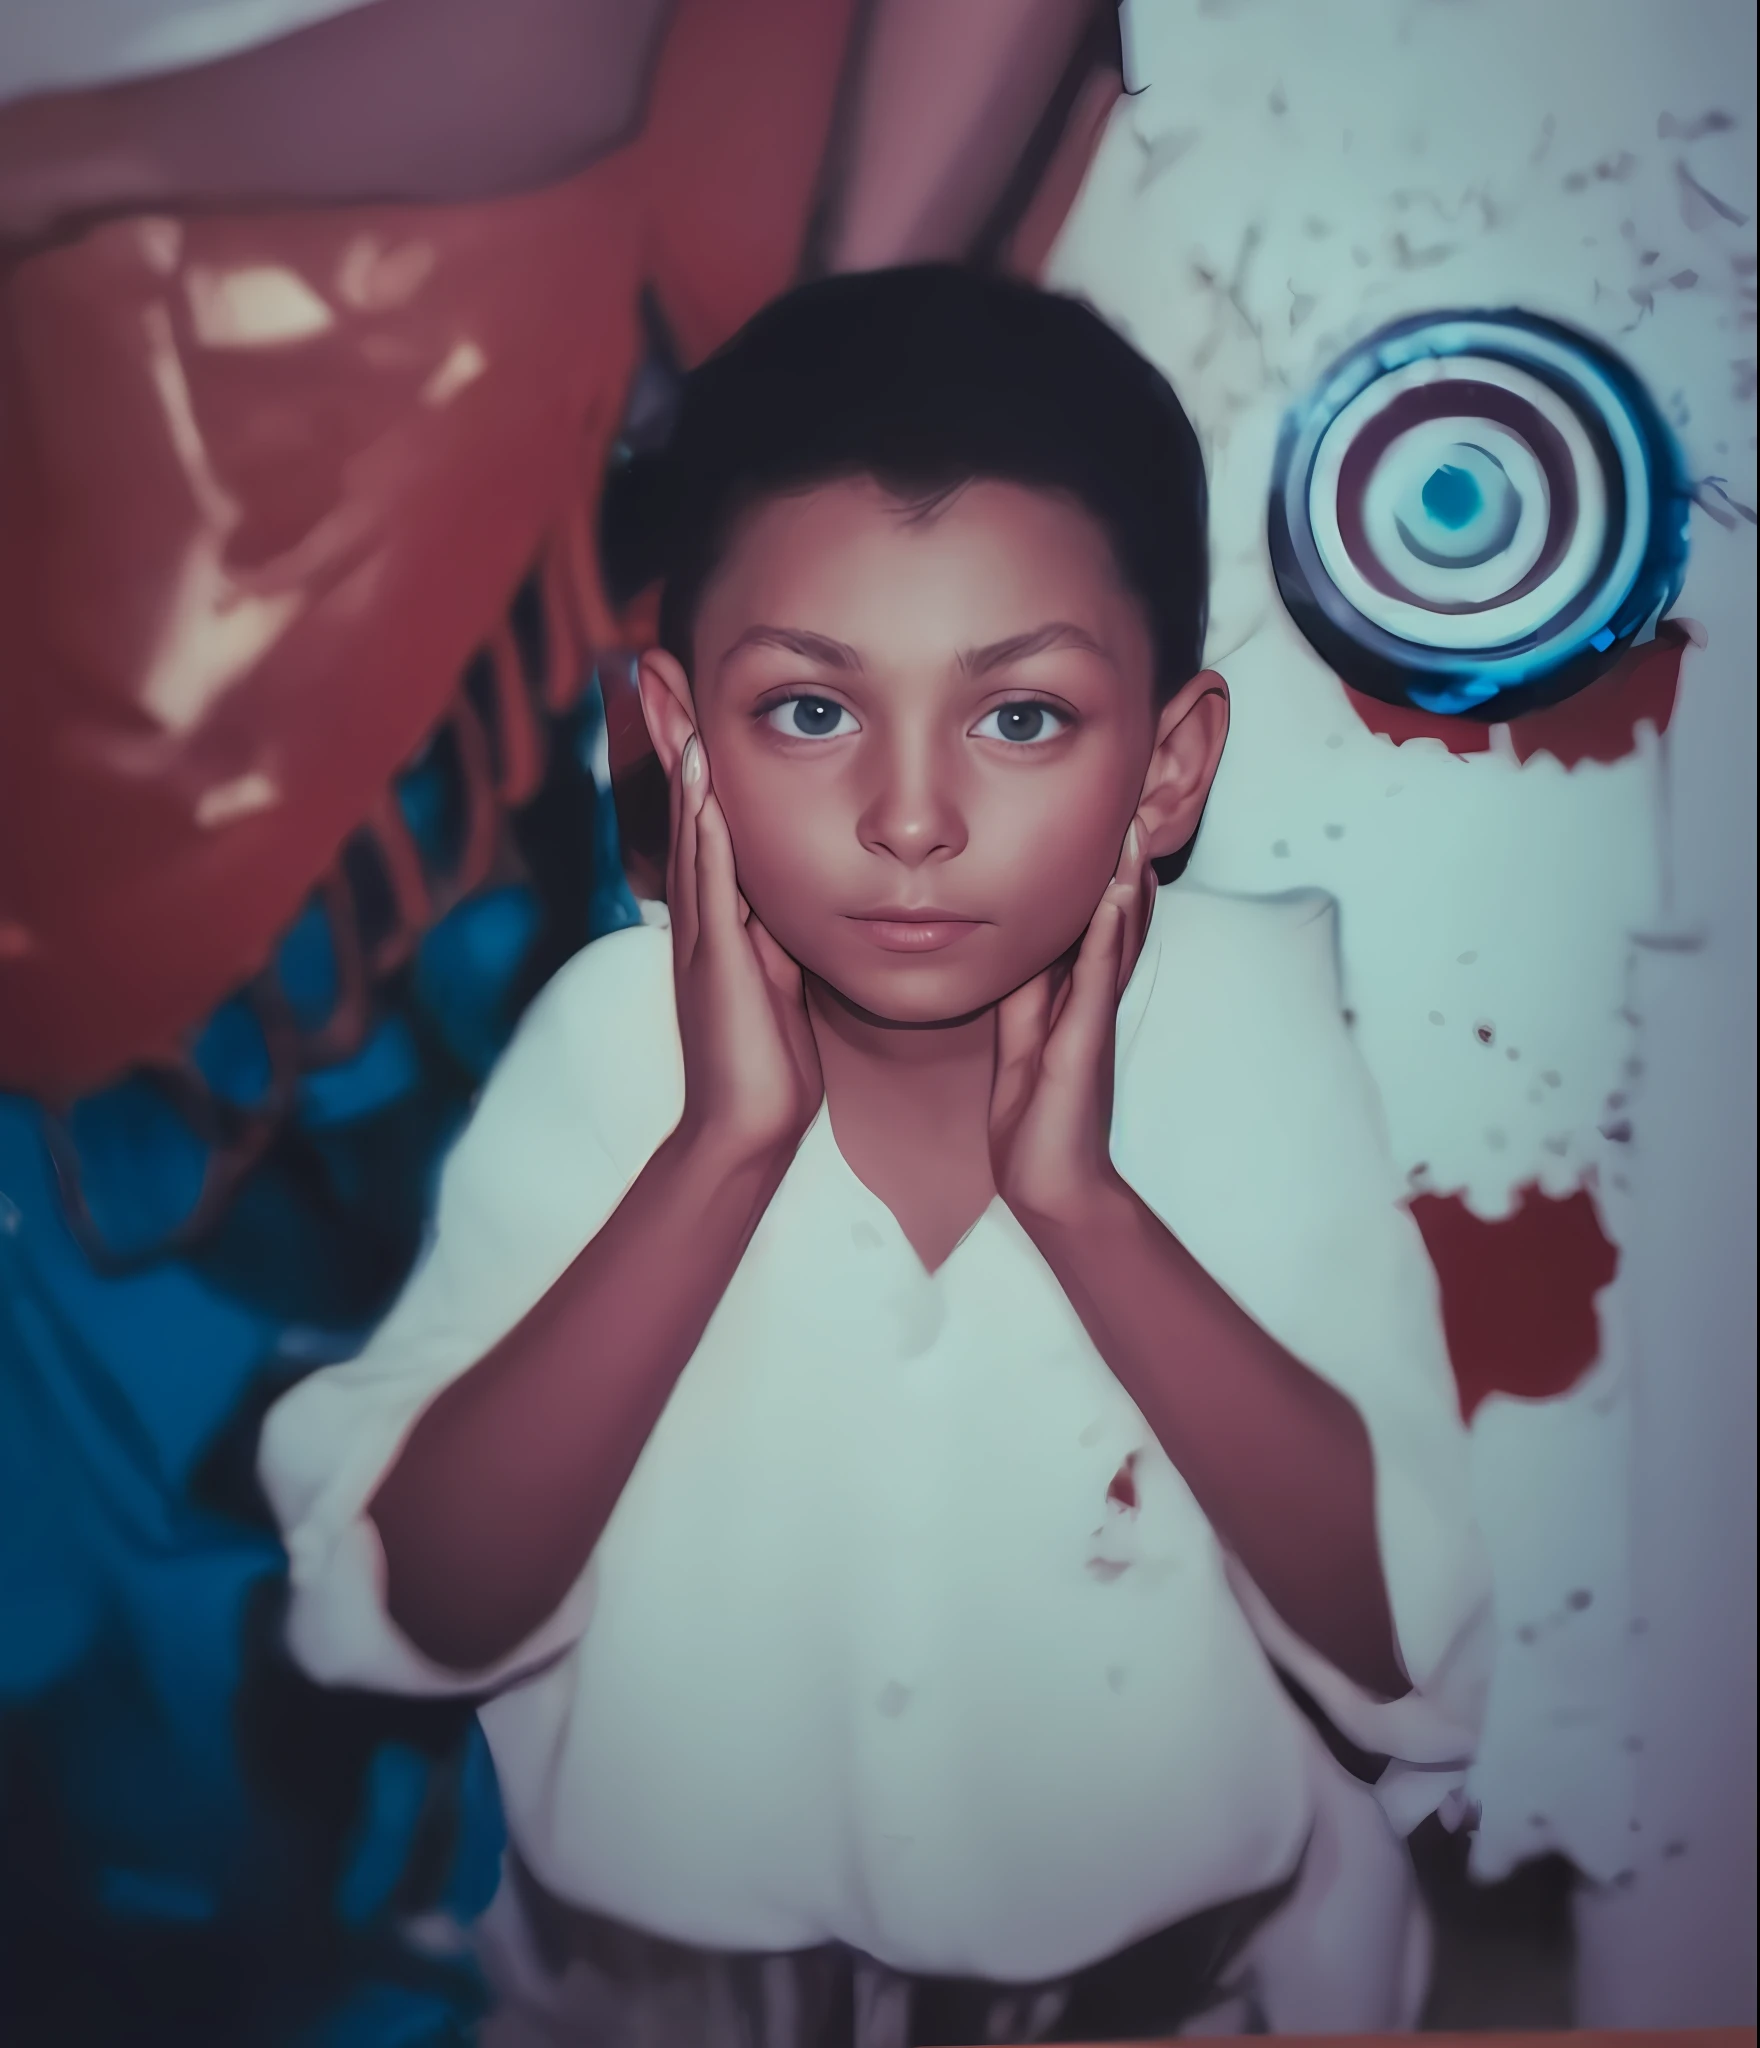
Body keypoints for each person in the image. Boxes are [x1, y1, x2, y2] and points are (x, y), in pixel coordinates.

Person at [259, 266, 1491, 2046]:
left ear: (1167, 767)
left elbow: (1410, 1658)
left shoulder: (1248, 1025)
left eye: (1021, 717)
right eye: (813, 712)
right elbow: (404, 1614)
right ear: (680, 747)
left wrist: (1084, 1213)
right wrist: (715, 1163)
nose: (911, 819)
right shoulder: (616, 1042)